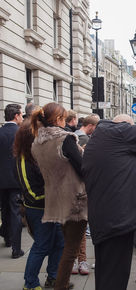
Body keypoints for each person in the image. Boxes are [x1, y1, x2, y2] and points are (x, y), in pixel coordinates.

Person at [82, 114, 136, 290]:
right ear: (126, 127)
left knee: (107, 272)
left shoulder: (102, 137)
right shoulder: (117, 132)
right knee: (115, 276)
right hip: (117, 221)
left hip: (106, 218)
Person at [31, 103, 87, 290]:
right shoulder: (66, 139)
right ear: (58, 119)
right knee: (71, 248)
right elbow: (83, 168)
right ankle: (60, 285)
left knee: (66, 245)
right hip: (75, 199)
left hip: (55, 199)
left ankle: (60, 282)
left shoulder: (37, 142)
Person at [13, 120, 64, 290]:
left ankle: (53, 277)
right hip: (39, 209)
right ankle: (30, 283)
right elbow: (31, 192)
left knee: (58, 243)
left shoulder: (38, 154)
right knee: (41, 246)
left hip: (51, 206)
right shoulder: (23, 159)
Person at [70, 114, 100, 276]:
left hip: (82, 189)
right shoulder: (77, 140)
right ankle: (77, 260)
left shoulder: (82, 141)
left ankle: (80, 260)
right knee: (75, 228)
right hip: (73, 189)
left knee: (80, 227)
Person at [0, 104, 24, 258]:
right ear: (16, 116)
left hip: (1, 180)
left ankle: (8, 238)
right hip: (16, 179)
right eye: (21, 115)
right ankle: (16, 249)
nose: (22, 118)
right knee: (15, 212)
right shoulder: (21, 134)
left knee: (5, 209)